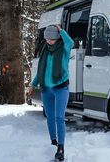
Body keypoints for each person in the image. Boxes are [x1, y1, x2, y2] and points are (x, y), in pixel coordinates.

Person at [28, 24, 74, 161]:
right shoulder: (45, 51)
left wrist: (61, 31)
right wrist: (33, 84)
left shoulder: (64, 49)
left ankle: (61, 147)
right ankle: (53, 141)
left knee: (59, 117)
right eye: (47, 39)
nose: (49, 41)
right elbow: (41, 71)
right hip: (46, 89)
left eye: (52, 39)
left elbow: (70, 42)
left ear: (57, 38)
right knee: (50, 116)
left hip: (61, 88)